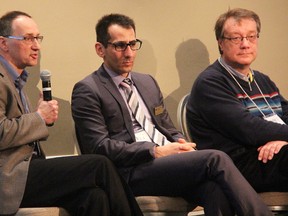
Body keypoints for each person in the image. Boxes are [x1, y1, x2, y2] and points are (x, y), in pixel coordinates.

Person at [71, 13, 272, 216]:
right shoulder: (88, 89)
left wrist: (181, 144)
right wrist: (154, 152)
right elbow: (98, 147)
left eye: (133, 44)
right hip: (130, 172)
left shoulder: (146, 82)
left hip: (167, 165)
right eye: (120, 46)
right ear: (100, 49)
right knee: (215, 158)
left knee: (215, 189)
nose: (129, 53)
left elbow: (167, 127)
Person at [0, 10, 143, 216]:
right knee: (99, 165)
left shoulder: (17, 81)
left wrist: (39, 118)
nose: (36, 46)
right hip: (10, 178)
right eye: (28, 38)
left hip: (28, 170)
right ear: (4, 43)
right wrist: (39, 118)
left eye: (38, 38)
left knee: (94, 197)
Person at [186, 8, 288, 193]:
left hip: (274, 156)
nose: (245, 44)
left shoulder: (262, 80)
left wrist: (283, 141)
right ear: (220, 43)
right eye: (236, 38)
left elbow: (286, 115)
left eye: (251, 36)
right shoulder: (210, 83)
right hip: (240, 165)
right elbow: (248, 129)